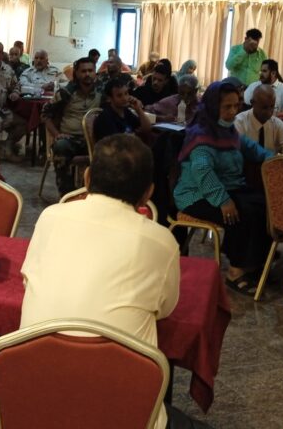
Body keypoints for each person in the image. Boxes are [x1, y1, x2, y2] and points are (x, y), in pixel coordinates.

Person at [21, 134, 179, 429]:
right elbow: (165, 309)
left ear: (87, 177)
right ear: (148, 193)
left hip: (34, 403)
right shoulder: (161, 241)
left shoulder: (50, 217)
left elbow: (27, 281)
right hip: (121, 411)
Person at [174, 81, 274, 295]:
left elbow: (252, 148)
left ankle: (254, 262)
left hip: (229, 188)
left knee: (265, 204)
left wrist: (275, 159)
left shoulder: (228, 131)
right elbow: (202, 171)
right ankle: (235, 271)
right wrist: (223, 201)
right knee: (241, 214)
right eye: (226, 107)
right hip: (197, 194)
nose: (232, 112)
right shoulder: (201, 134)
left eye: (236, 106)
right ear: (213, 106)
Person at [42, 57, 103, 196]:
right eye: (83, 71)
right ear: (76, 73)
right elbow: (45, 114)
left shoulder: (102, 92)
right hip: (70, 139)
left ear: (95, 72)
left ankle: (98, 194)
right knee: (61, 146)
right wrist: (56, 134)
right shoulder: (66, 92)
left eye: (90, 71)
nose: (87, 74)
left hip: (93, 139)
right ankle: (67, 195)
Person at [235, 84, 283, 154]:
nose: (269, 112)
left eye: (272, 106)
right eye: (264, 108)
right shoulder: (239, 123)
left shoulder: (277, 124)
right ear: (252, 103)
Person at [93, 75, 151, 142]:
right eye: (119, 96)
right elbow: (115, 144)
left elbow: (147, 129)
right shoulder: (105, 118)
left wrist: (138, 109)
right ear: (109, 99)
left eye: (126, 93)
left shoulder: (125, 111)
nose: (125, 98)